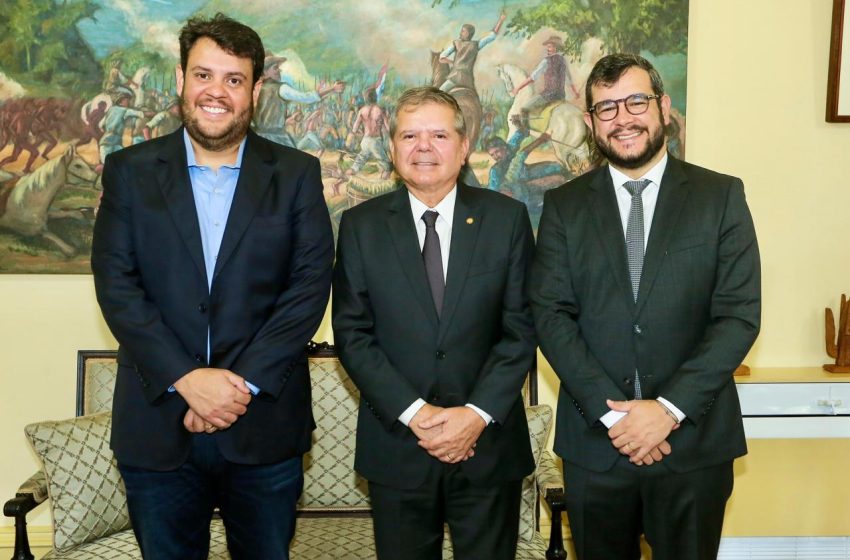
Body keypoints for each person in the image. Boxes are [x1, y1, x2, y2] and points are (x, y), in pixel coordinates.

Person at [91, 13, 334, 560]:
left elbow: (307, 290)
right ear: (181, 79)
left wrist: (237, 385)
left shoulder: (297, 174)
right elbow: (117, 286)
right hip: (157, 428)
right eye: (204, 75)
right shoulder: (128, 171)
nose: (216, 92)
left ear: (255, 90)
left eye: (233, 79)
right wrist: (186, 379)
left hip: (265, 428)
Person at [530, 53, 761, 560]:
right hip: (596, 446)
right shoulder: (564, 207)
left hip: (695, 441)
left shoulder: (719, 196)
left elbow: (738, 314)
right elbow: (550, 316)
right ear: (590, 122)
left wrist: (667, 411)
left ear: (663, 106)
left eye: (636, 101)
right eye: (606, 108)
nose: (623, 118)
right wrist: (619, 421)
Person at [332, 86, 536, 560]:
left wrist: (474, 415)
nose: (424, 146)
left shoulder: (506, 220)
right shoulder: (360, 226)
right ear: (393, 148)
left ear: (464, 148)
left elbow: (521, 328)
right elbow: (353, 334)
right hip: (399, 447)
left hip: (488, 447)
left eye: (439, 134)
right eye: (410, 135)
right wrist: (417, 415)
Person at [511, 35, 579, 118]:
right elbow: (569, 79)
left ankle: (525, 131)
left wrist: (518, 88)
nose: (547, 49)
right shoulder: (563, 60)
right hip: (561, 96)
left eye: (549, 47)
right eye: (547, 47)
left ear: (555, 48)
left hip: (548, 96)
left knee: (525, 109)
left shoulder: (546, 61)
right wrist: (575, 92)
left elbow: (533, 77)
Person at [438, 13, 506, 93]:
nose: (460, 33)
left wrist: (453, 62)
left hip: (455, 78)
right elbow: (492, 36)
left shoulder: (456, 43)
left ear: (468, 33)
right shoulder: (476, 45)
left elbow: (442, 58)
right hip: (468, 81)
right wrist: (501, 20)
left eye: (463, 31)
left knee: (439, 93)